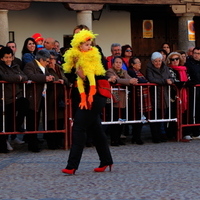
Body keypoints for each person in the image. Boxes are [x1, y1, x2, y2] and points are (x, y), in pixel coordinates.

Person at [61, 29, 114, 175]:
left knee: (79, 127)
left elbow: (100, 74)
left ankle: (72, 165)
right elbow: (68, 75)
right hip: (81, 96)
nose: (88, 46)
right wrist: (75, 70)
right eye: (85, 43)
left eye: (89, 43)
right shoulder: (73, 56)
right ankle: (106, 160)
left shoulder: (95, 54)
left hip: (95, 96)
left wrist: (84, 76)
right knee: (95, 129)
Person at [23, 49, 55, 152]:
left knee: (38, 120)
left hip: (42, 96)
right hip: (33, 96)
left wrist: (51, 78)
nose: (48, 63)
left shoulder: (44, 67)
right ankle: (32, 145)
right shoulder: (30, 65)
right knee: (32, 120)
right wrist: (46, 78)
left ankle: (35, 142)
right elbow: (31, 76)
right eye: (46, 61)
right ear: (41, 59)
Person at [0, 47, 29, 152]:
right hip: (5, 98)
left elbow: (24, 76)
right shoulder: (1, 67)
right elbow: (5, 77)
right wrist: (17, 78)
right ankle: (5, 141)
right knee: (6, 119)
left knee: (25, 103)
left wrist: (17, 77)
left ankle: (16, 127)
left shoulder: (16, 66)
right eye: (6, 57)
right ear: (2, 58)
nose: (8, 59)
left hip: (17, 96)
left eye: (10, 57)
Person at [106, 56, 138, 146]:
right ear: (113, 63)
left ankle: (118, 138)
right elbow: (116, 80)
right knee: (114, 119)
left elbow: (129, 79)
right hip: (113, 98)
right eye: (116, 62)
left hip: (123, 99)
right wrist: (128, 81)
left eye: (120, 63)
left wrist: (130, 80)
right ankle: (113, 139)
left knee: (121, 119)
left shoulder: (124, 71)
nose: (118, 64)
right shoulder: (110, 71)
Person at [146, 52, 174, 143]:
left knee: (163, 116)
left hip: (164, 95)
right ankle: (155, 136)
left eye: (159, 61)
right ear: (152, 62)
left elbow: (171, 77)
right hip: (154, 95)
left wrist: (170, 80)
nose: (158, 63)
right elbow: (151, 79)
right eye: (156, 61)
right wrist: (165, 81)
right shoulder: (149, 69)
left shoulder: (165, 68)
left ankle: (162, 134)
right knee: (155, 117)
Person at [45, 50, 69, 149]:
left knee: (60, 119)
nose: (51, 61)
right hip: (50, 97)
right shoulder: (46, 69)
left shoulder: (59, 68)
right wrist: (55, 80)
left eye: (53, 59)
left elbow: (67, 80)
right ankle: (51, 143)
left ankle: (59, 141)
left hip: (60, 97)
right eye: (49, 59)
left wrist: (63, 81)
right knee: (51, 119)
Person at [166, 52, 190, 140]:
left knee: (185, 113)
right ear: (170, 60)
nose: (175, 61)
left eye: (177, 59)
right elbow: (175, 82)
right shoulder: (169, 69)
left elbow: (189, 80)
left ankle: (184, 132)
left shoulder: (185, 69)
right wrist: (183, 84)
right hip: (174, 95)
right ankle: (173, 134)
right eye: (173, 59)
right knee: (174, 113)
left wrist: (184, 84)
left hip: (185, 95)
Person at [128, 57, 152, 145]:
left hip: (142, 97)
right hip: (136, 97)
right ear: (132, 64)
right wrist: (146, 82)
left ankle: (137, 137)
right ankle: (136, 137)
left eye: (139, 62)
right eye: (137, 62)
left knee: (140, 118)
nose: (140, 64)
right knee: (136, 118)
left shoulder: (139, 72)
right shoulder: (131, 71)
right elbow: (137, 80)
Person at [185, 47, 200, 139]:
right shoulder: (188, 63)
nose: (196, 55)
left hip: (198, 91)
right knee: (191, 111)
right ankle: (189, 131)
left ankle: (197, 132)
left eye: (198, 53)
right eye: (195, 53)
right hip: (192, 91)